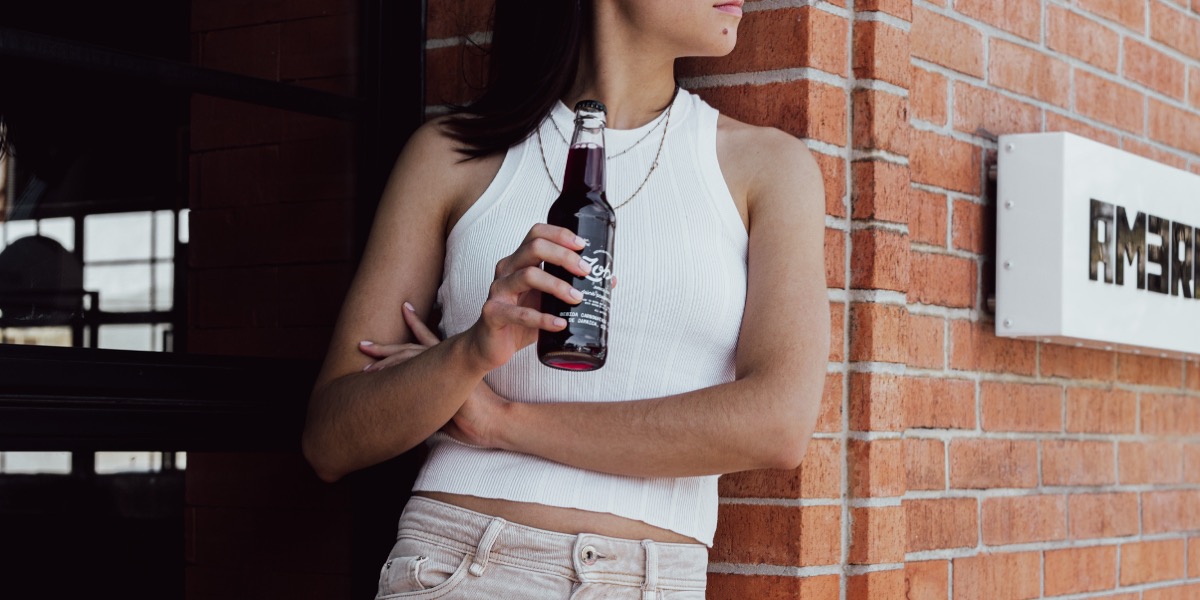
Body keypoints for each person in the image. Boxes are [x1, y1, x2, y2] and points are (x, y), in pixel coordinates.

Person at [302, 0, 830, 597]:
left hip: (648, 580)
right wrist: (469, 353)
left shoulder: (767, 167)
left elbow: (779, 425)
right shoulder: (452, 156)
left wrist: (500, 419)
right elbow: (330, 439)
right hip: (456, 565)